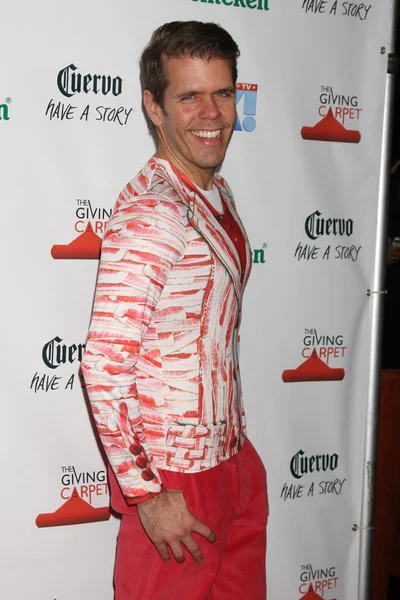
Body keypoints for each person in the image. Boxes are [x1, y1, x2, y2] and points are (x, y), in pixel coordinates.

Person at [81, 20, 268, 600]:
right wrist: (145, 492)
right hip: (174, 480)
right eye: (189, 96)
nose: (212, 113)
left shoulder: (214, 191)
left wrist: (241, 465)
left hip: (230, 462)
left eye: (222, 92)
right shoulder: (155, 212)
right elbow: (103, 367)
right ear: (154, 107)